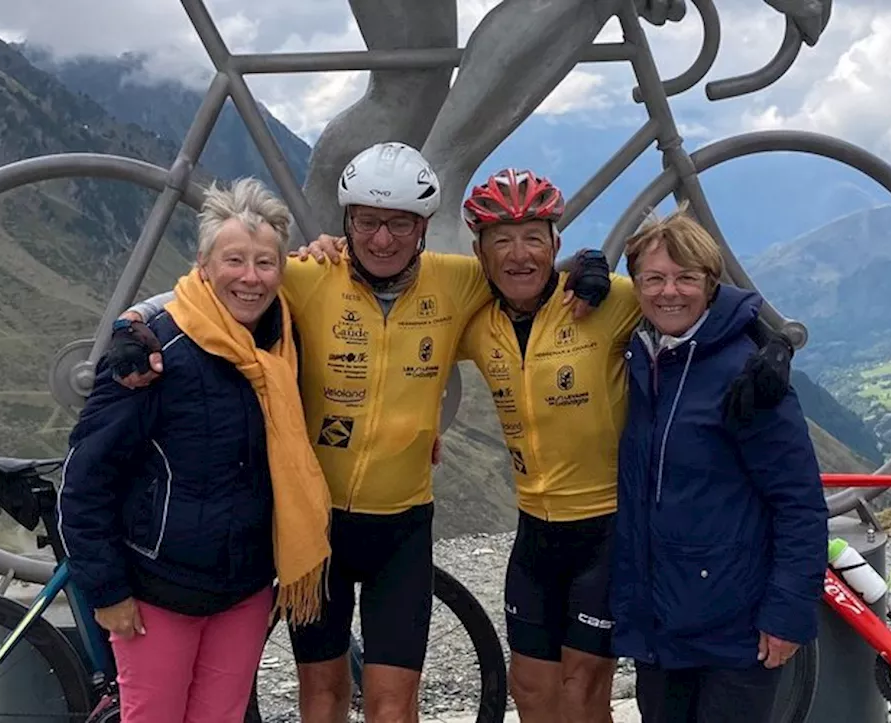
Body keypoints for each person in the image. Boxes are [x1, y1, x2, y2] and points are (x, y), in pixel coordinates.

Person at [109, 142, 611, 723]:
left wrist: (587, 264)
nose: (381, 239)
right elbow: (212, 289)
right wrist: (138, 322)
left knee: (394, 704)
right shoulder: (308, 275)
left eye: (399, 224)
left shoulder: (459, 282)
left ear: (423, 228)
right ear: (346, 222)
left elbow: (523, 268)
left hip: (401, 530)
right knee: (321, 697)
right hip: (315, 529)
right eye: (368, 222)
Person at [301, 168, 798, 723]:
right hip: (535, 531)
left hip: (605, 532)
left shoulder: (604, 302)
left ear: (555, 244)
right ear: (480, 252)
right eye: (502, 241)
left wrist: (769, 344)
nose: (519, 255)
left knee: (582, 692)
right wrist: (335, 252)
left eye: (534, 238)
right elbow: (396, 350)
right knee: (532, 691)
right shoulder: (473, 315)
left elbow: (692, 290)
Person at [57, 178, 333, 723]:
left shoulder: (282, 346)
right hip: (158, 589)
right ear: (203, 264)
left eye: (265, 263)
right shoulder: (154, 351)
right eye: (234, 260)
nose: (250, 278)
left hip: (245, 588)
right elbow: (85, 481)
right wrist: (107, 591)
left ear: (284, 270)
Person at [609, 204, 829, 723]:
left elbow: (799, 502)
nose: (669, 292)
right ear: (634, 287)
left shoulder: (747, 374)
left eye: (685, 278)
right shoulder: (642, 358)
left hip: (735, 629)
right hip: (661, 624)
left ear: (711, 283)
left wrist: (788, 613)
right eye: (654, 278)